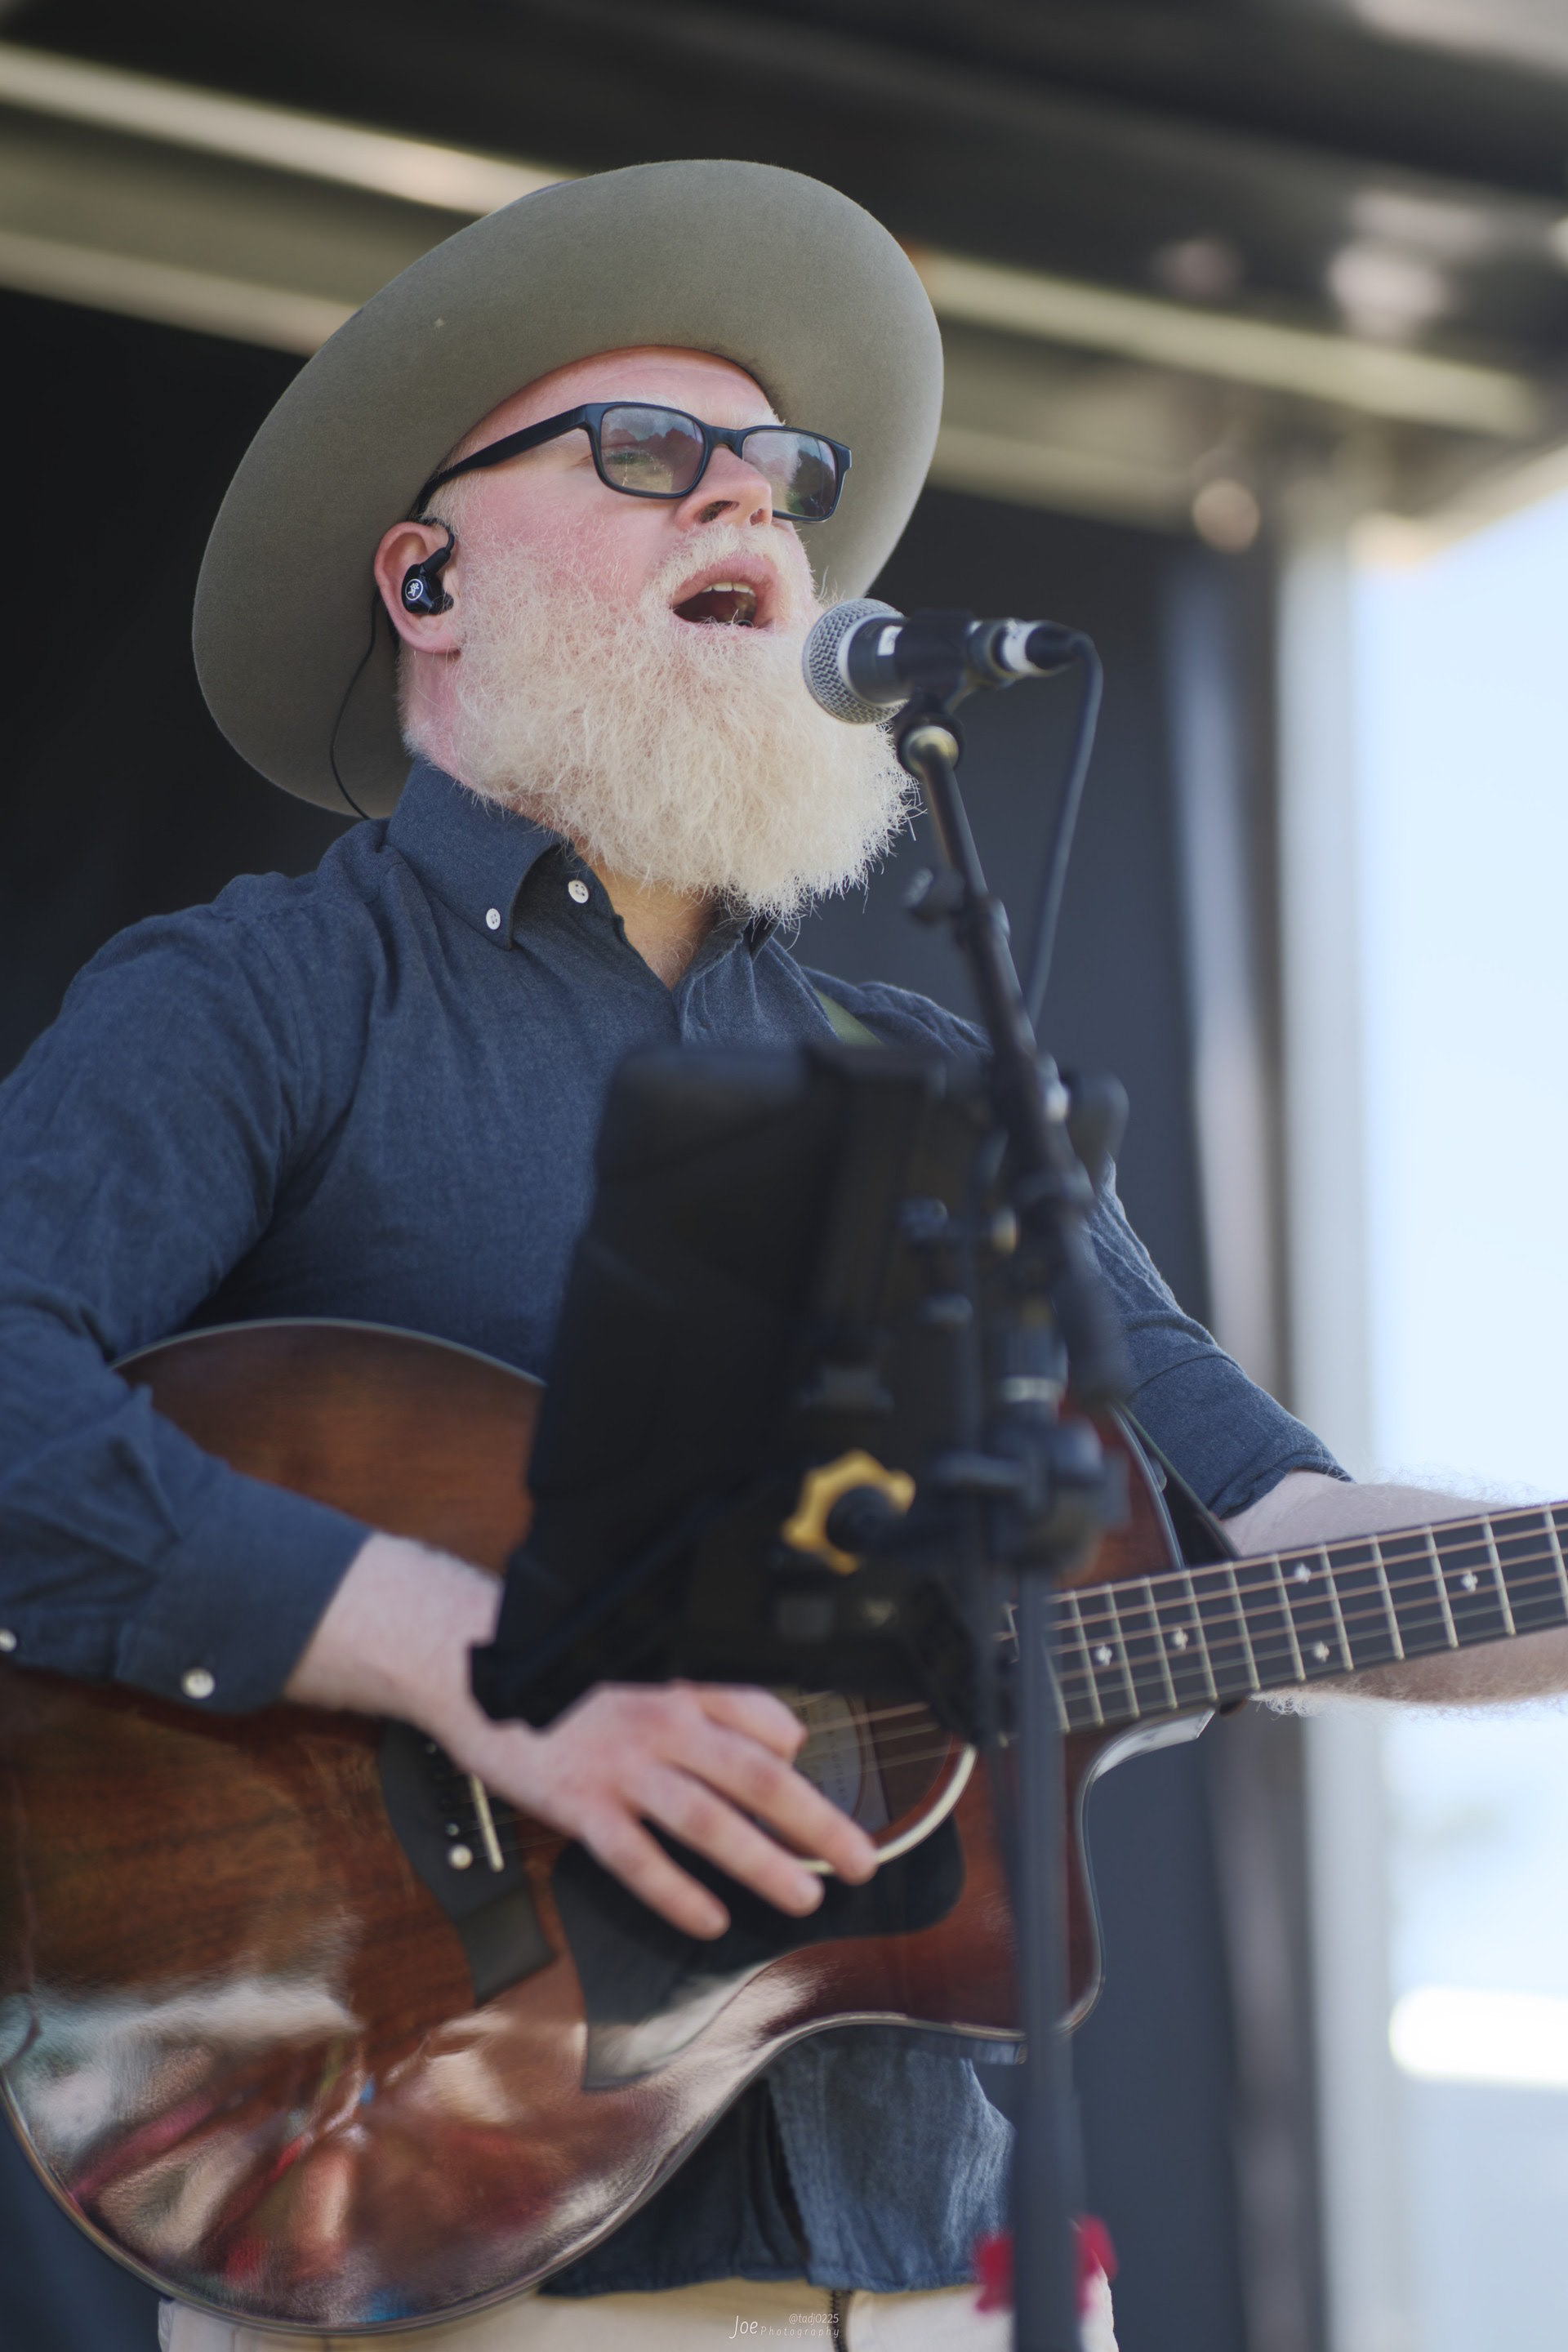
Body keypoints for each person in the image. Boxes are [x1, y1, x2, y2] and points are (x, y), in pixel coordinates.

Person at [0, 160, 1559, 2352]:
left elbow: (1272, 1521)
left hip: (925, 2287)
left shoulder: (943, 1071)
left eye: (786, 474)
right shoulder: (260, 998)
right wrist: (477, 1658)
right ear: (427, 577)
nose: (749, 497)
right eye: (651, 453)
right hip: (426, 2255)